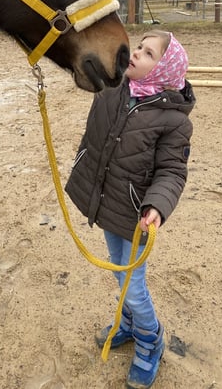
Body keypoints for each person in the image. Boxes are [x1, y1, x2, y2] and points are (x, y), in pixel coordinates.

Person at [65, 29, 195, 389]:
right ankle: (128, 322)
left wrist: (156, 205)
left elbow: (172, 170)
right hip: (108, 203)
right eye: (139, 46)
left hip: (137, 215)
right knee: (119, 274)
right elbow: (85, 69)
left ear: (163, 71)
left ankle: (150, 340)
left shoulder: (174, 121)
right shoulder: (113, 88)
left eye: (149, 54)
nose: (136, 53)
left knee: (133, 285)